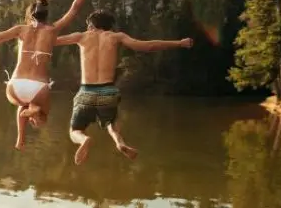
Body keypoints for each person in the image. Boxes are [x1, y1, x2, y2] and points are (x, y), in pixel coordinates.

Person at [0, 0, 93, 150]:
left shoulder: (21, 29)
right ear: (46, 15)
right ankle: (34, 111)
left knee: (23, 105)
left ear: (31, 14)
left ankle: (21, 138)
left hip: (15, 87)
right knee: (42, 116)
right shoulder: (53, 30)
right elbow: (74, 8)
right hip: (38, 88)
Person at [55, 9, 193, 165]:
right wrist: (179, 43)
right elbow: (147, 46)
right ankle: (119, 142)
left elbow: (50, 41)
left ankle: (84, 140)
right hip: (107, 90)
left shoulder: (80, 36)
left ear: (92, 25)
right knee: (111, 123)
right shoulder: (116, 37)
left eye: (88, 25)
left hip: (87, 90)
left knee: (75, 130)